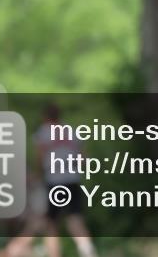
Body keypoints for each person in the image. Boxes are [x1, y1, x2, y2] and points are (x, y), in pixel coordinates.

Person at [33, 104, 99, 257]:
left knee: (51, 224)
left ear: (45, 117)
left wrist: (38, 174)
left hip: (53, 180)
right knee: (75, 218)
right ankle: (88, 251)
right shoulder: (71, 131)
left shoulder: (43, 132)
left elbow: (40, 157)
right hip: (72, 179)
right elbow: (83, 158)